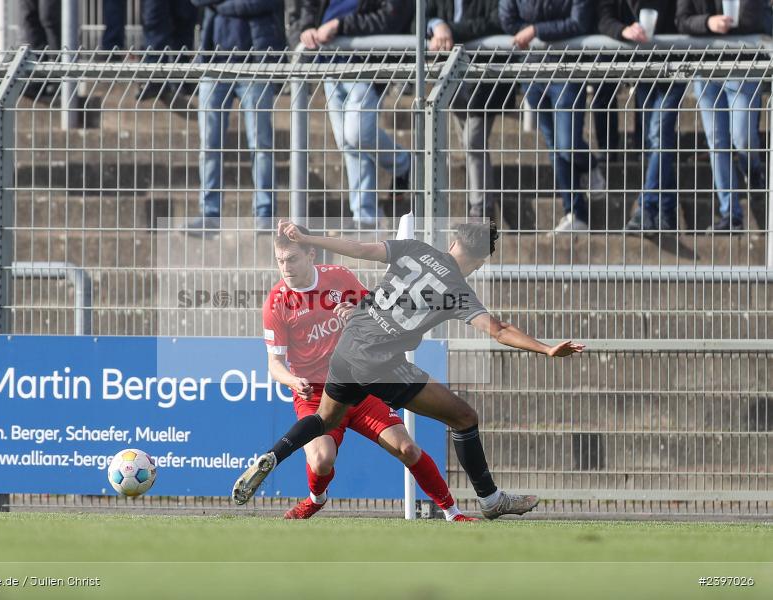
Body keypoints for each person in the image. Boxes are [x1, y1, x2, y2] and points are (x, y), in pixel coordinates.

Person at [233, 220, 585, 518]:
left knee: (324, 420)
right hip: (381, 365)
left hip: (347, 350)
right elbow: (499, 330)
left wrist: (308, 238)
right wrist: (546, 347)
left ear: (453, 243)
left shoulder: (417, 249)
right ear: (479, 262)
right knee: (464, 417)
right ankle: (491, 500)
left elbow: (359, 248)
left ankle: (273, 454)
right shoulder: (458, 292)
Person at [264, 226, 476, 520]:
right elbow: (274, 364)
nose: (285, 268)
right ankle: (316, 498)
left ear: (311, 253)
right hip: (316, 397)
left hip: (360, 384)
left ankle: (453, 513)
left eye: (291, 259)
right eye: (280, 261)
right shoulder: (277, 302)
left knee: (407, 449)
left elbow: (378, 311)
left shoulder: (338, 276)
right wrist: (292, 380)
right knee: (322, 460)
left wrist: (356, 310)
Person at [297, 0, 414, 229]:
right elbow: (309, 8)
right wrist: (308, 27)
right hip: (330, 64)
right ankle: (365, 216)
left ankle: (403, 163)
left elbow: (392, 17)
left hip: (365, 67)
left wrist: (340, 25)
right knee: (348, 144)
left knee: (357, 135)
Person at [500, 0, 599, 233]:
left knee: (567, 146)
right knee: (555, 149)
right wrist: (547, 29)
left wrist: (536, 30)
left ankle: (592, 165)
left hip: (566, 70)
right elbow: (507, 19)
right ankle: (574, 212)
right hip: (532, 71)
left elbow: (579, 21)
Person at [187, 0, 286, 233]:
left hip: (256, 64)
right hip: (214, 64)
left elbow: (256, 4)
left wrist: (219, 5)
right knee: (209, 146)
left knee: (261, 145)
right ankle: (209, 215)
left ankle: (265, 213)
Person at [426, 0, 526, 227]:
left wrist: (450, 30)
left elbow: (495, 21)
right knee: (470, 143)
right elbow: (417, 20)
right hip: (452, 77)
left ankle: (480, 209)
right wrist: (436, 24)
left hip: (485, 77)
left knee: (473, 142)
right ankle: (482, 205)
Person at [676, 0, 771, 232]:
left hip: (744, 66)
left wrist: (727, 26)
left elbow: (757, 18)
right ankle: (730, 214)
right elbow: (682, 20)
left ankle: (753, 170)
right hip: (706, 69)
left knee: (742, 138)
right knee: (717, 141)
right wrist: (708, 22)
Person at [598, 0, 685, 233]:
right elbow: (603, 18)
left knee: (657, 133)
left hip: (676, 65)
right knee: (655, 140)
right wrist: (622, 30)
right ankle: (667, 212)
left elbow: (684, 15)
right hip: (644, 68)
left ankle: (646, 207)